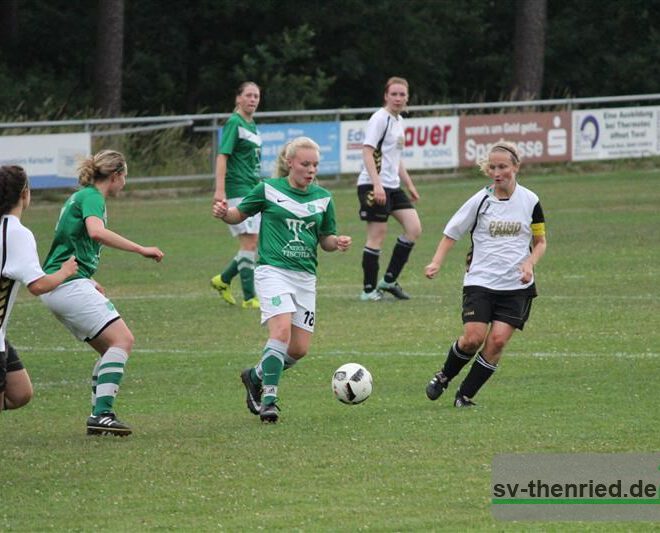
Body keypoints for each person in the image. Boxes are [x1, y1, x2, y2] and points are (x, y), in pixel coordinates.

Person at [213, 137, 351, 423]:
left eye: (315, 164)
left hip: (305, 277)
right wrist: (225, 214)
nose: (311, 170)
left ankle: (254, 376)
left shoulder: (323, 197)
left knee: (299, 349)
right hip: (273, 271)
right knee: (280, 334)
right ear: (290, 163)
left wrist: (336, 242)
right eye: (305, 164)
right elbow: (240, 214)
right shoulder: (268, 189)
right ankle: (269, 400)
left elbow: (324, 239)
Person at [40, 150, 164, 436]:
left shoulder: (83, 196)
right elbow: (95, 232)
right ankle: (102, 414)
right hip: (65, 284)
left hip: (66, 282)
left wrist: (88, 277)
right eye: (125, 177)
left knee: (112, 348)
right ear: (116, 175)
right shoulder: (92, 197)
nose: (125, 183)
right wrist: (141, 249)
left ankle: (100, 416)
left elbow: (73, 242)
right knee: (123, 339)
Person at [424, 141, 547, 407]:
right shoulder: (480, 200)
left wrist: (529, 263)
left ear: (516, 167)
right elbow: (451, 233)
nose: (497, 172)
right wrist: (436, 262)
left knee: (498, 341)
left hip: (516, 285)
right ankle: (444, 376)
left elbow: (540, 242)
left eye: (503, 167)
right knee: (473, 339)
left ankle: (464, 396)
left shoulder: (531, 201)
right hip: (480, 281)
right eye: (492, 167)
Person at [0, 165, 78, 413]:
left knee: (19, 392)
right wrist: (66, 271)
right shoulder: (16, 233)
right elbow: (38, 286)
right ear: (24, 193)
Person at [357, 76, 422, 301]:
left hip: (392, 186)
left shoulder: (398, 120)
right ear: (386, 96)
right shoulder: (380, 119)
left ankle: (389, 280)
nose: (398, 98)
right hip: (373, 184)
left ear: (407, 97)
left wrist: (410, 185)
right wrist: (377, 184)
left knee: (413, 228)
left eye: (402, 94)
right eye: (393, 94)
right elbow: (367, 151)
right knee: (377, 235)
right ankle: (368, 291)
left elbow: (395, 158)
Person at [210, 81, 263, 309]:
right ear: (238, 99)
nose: (253, 100)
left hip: (251, 187)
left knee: (252, 242)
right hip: (237, 189)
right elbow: (223, 156)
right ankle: (250, 298)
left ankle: (222, 279)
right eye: (249, 95)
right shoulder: (234, 122)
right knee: (249, 242)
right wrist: (220, 190)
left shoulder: (251, 125)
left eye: (256, 96)